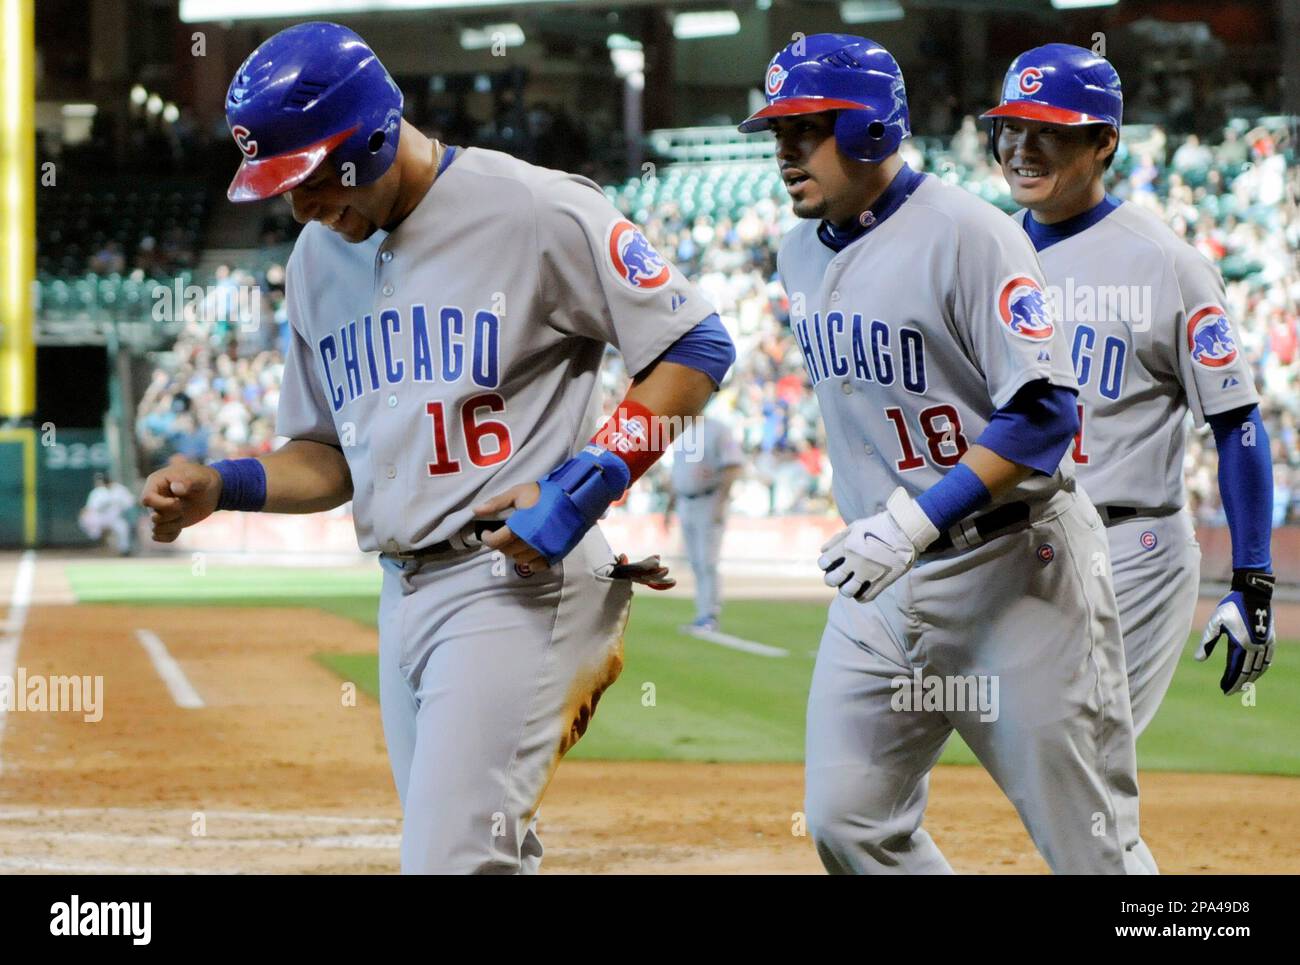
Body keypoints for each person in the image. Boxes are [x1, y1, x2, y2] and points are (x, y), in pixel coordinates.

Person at [140, 21, 734, 874]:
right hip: (404, 590)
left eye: (308, 179)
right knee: (477, 853)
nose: (297, 207)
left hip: (519, 582)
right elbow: (327, 458)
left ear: (373, 135)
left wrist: (583, 488)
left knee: (454, 859)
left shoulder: (534, 207)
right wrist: (222, 484)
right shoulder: (318, 258)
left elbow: (696, 347)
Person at [740, 33, 1147, 874]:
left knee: (1090, 847)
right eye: (776, 131)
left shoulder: (969, 234)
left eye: (806, 128)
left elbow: (1043, 416)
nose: (784, 151)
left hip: (1014, 568)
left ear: (871, 130)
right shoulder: (793, 251)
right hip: (883, 584)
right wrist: (893, 531)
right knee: (849, 823)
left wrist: (913, 520)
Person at [981, 44, 1275, 735]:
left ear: (1104, 141)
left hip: (1131, 547)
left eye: (1048, 129)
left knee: (1087, 767)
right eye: (1011, 128)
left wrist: (1253, 579)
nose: (1022, 147)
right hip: (1021, 548)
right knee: (1043, 768)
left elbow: (1238, 424)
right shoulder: (987, 252)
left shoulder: (1166, 264)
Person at [664, 413, 743, 633]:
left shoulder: (718, 429)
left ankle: (709, 615)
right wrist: (669, 508)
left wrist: (720, 502)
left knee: (707, 561)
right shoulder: (683, 431)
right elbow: (678, 473)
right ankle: (702, 613)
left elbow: (733, 466)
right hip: (685, 500)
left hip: (709, 499)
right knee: (695, 562)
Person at [79, 473, 135, 555]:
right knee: (88, 522)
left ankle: (124, 550)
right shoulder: (97, 492)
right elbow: (90, 508)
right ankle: (98, 544)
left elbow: (130, 503)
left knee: (123, 528)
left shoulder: (120, 490)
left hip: (114, 518)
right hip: (100, 518)